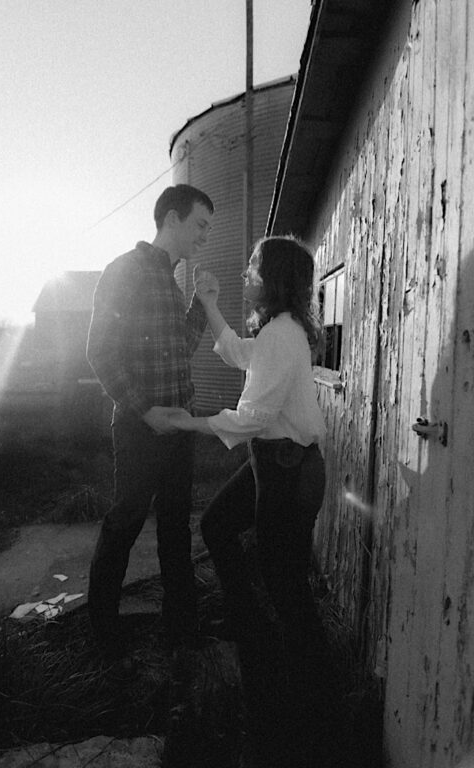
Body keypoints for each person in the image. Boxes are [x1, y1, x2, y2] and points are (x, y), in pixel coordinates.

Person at [164, 236, 335, 764]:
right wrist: (211, 304)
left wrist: (186, 422)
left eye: (253, 268)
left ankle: (314, 705)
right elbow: (241, 355)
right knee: (218, 527)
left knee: (287, 588)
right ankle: (255, 633)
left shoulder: (285, 337)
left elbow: (256, 417)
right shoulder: (277, 333)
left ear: (273, 277)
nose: (246, 273)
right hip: (274, 461)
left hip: (286, 466)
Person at [85, 184, 215, 652]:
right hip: (140, 428)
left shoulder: (171, 279)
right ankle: (102, 632)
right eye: (200, 225)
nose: (204, 236)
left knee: (177, 528)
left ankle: (182, 629)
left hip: (179, 426)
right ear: (173, 219)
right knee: (126, 521)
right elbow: (99, 351)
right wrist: (145, 410)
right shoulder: (126, 270)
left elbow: (179, 349)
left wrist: (201, 303)